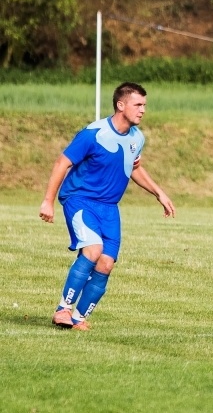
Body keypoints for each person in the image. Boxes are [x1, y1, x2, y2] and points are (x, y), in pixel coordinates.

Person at [39, 82, 176, 331]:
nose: (143, 110)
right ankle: (63, 310)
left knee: (106, 263)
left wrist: (159, 193)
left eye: (144, 105)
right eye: (138, 104)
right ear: (121, 105)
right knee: (93, 250)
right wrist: (48, 201)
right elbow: (62, 163)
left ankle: (78, 318)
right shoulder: (93, 134)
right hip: (80, 199)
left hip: (109, 208)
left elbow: (134, 168)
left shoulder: (137, 138)